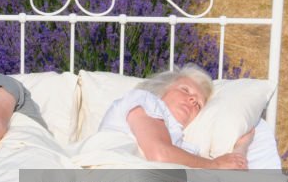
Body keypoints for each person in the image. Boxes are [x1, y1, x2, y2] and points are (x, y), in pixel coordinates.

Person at [99, 65, 253, 169]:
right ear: (163, 88)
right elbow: (159, 154)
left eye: (198, 105)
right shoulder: (144, 100)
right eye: (185, 90)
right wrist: (215, 165)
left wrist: (241, 148)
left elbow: (229, 175)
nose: (193, 100)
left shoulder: (184, 149)